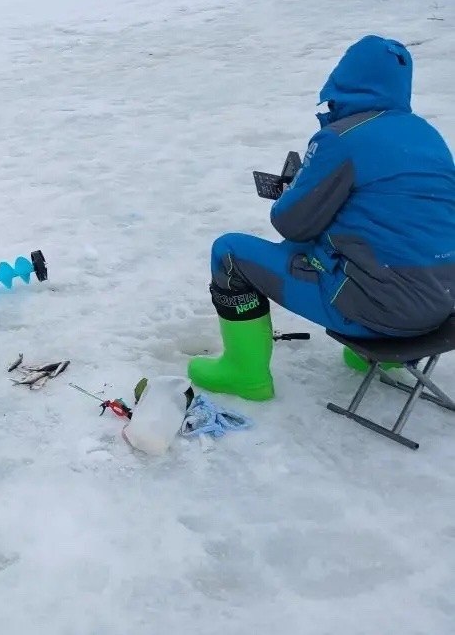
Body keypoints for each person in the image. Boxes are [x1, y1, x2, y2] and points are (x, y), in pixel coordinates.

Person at [188, 35, 455, 401]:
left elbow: (291, 223)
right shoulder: (427, 135)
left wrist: (294, 190)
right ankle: (372, 355)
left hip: (384, 312)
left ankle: (245, 373)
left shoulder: (340, 138)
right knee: (345, 244)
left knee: (229, 253)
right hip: (441, 306)